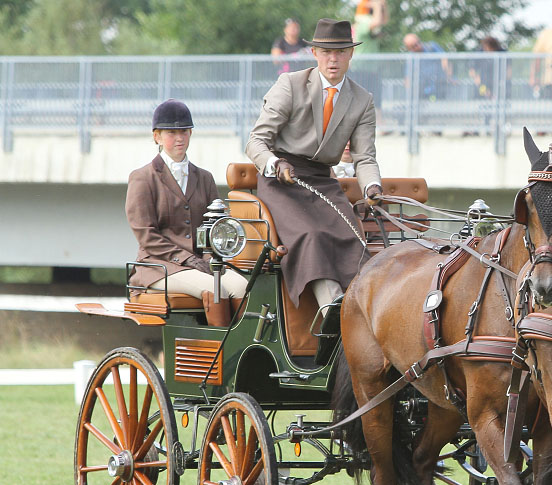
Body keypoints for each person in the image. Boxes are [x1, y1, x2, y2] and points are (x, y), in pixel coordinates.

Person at [246, 18, 382, 313]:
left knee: (354, 239)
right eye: (325, 51)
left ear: (351, 54)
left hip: (323, 181)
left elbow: (365, 157)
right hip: (281, 180)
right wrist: (274, 164)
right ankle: (333, 313)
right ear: (314, 54)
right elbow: (256, 141)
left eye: (341, 51)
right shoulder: (290, 84)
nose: (333, 59)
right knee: (312, 236)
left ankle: (365, 314)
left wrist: (372, 187)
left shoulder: (362, 100)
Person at [125, 99, 247, 327]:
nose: (179, 138)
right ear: (157, 137)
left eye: (184, 131)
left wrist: (210, 257)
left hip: (202, 263)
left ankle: (243, 351)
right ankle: (221, 353)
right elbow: (146, 235)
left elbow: (215, 228)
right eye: (171, 132)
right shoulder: (143, 178)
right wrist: (187, 258)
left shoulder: (205, 177)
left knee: (241, 286)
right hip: (159, 265)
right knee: (215, 288)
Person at [403, 33, 451, 101]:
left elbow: (444, 59)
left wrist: (448, 75)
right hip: (421, 91)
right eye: (412, 46)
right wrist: (409, 90)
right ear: (409, 48)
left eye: (417, 43)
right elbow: (407, 76)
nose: (416, 47)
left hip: (438, 87)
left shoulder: (431, 47)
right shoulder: (411, 57)